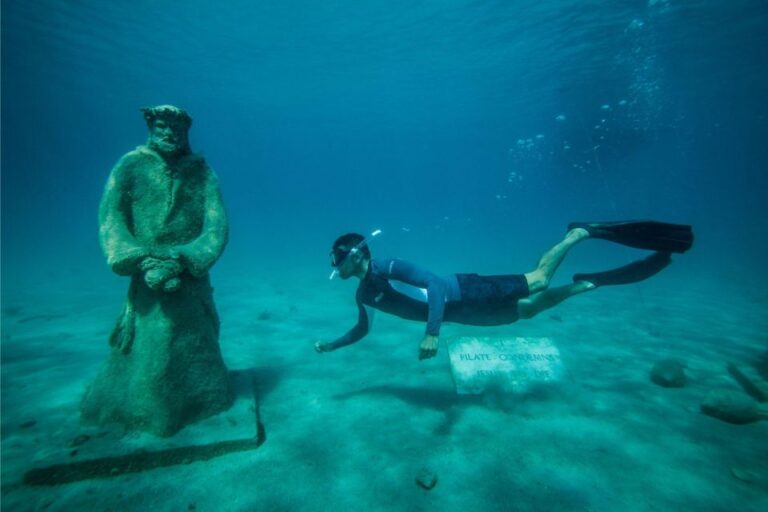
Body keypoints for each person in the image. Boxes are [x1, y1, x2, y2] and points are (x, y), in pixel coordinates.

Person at [315, 221, 693, 360]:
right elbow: (363, 329)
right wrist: (333, 344)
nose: (335, 267)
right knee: (528, 310)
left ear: (355, 255)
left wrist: (431, 334)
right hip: (463, 315)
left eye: (337, 259)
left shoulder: (388, 266)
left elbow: (432, 283)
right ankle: (586, 284)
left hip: (467, 292)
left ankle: (577, 234)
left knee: (540, 280)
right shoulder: (363, 294)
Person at [81, 105, 232, 436]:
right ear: (151, 126)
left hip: (189, 280)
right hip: (146, 280)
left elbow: (216, 224)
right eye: (163, 125)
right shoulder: (130, 166)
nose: (169, 133)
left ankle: (202, 401)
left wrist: (186, 256)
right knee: (148, 353)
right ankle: (144, 411)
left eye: (177, 128)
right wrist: (140, 258)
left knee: (194, 345)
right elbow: (112, 219)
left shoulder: (203, 172)